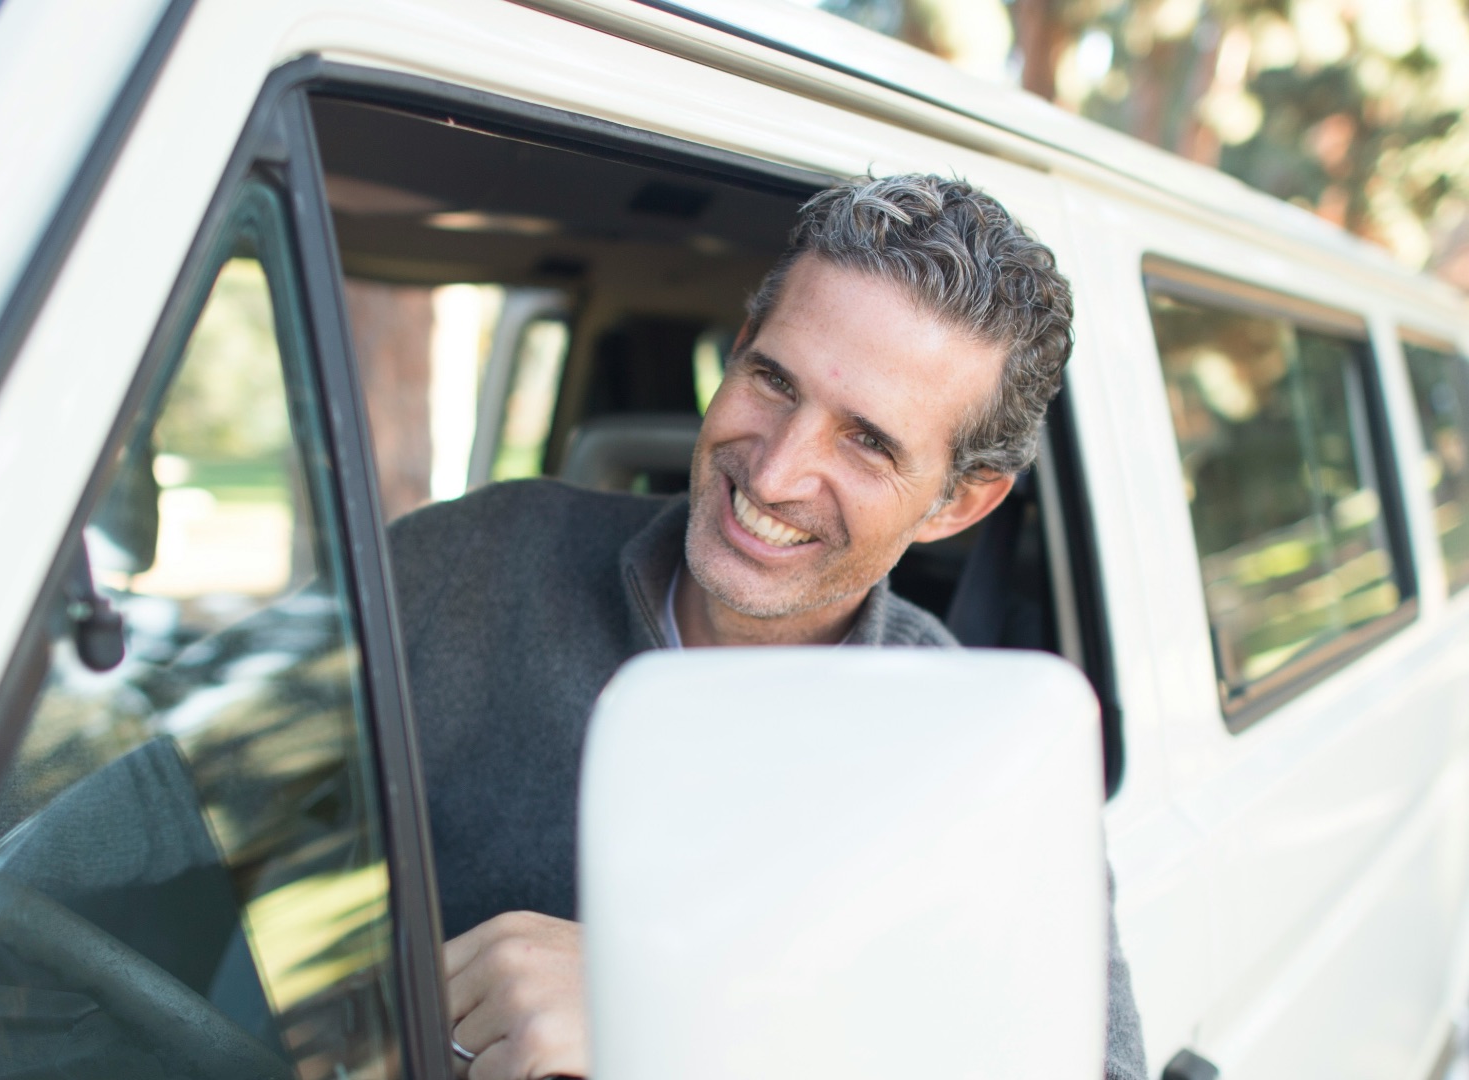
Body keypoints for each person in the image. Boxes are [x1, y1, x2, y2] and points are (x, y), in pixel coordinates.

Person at [386, 174, 1149, 1080]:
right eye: (773, 380)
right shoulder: (474, 557)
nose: (777, 473)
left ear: (958, 503)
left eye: (868, 440)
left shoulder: (984, 766)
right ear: (740, 347)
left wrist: (684, 1022)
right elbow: (194, 798)